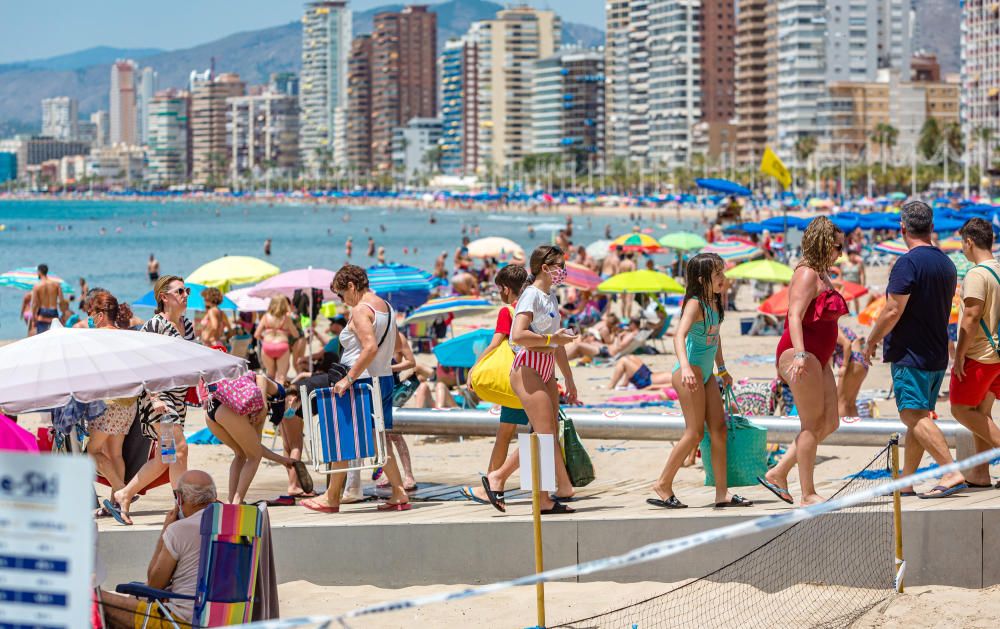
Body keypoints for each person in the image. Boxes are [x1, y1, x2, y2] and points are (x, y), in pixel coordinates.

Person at [864, 201, 967, 498]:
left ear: (903, 228)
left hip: (912, 354)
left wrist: (871, 340)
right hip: (935, 354)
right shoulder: (946, 264)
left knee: (913, 416)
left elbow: (893, 310)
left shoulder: (907, 263)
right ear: (931, 227)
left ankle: (950, 469)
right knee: (918, 419)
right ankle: (905, 482)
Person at [301, 265, 411, 513]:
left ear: (351, 286)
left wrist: (348, 378)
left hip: (361, 381)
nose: (342, 301)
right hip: (382, 379)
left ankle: (331, 498)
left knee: (342, 436)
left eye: (341, 294)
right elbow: (389, 347)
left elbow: (369, 347)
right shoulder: (387, 307)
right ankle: (399, 491)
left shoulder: (361, 310)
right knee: (379, 438)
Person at [648, 253, 751, 509]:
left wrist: (723, 370)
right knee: (694, 433)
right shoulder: (694, 304)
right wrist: (684, 367)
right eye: (719, 275)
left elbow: (714, 338)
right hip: (689, 372)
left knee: (719, 430)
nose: (724, 279)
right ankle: (663, 483)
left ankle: (722, 493)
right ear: (703, 279)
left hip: (706, 374)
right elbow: (678, 336)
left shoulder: (715, 303)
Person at [480, 245, 578, 514]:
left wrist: (569, 378)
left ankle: (544, 498)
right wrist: (551, 339)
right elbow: (518, 335)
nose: (563, 270)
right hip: (528, 368)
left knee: (547, 434)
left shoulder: (550, 297)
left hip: (546, 367)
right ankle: (497, 476)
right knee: (543, 434)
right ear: (545, 267)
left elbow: (557, 344)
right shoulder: (531, 296)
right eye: (559, 265)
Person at [758, 217, 847, 506]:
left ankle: (779, 472)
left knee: (830, 422)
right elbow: (794, 315)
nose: (841, 253)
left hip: (817, 358)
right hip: (800, 354)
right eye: (837, 246)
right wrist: (799, 354)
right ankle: (807, 493)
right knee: (810, 425)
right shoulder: (807, 273)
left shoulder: (822, 273)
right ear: (823, 243)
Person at [111, 276, 196, 525]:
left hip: (178, 398)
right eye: (180, 291)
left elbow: (193, 359)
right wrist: (155, 397)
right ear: (164, 297)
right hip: (157, 398)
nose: (185, 295)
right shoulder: (155, 325)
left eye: (186, 290)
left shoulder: (187, 325)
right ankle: (183, 507)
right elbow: (141, 364)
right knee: (180, 449)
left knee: (165, 457)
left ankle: (124, 494)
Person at [100, 471, 217, 629]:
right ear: (214, 496)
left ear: (180, 498)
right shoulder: (238, 527)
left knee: (95, 599)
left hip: (179, 621)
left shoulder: (180, 529)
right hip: (227, 621)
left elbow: (154, 585)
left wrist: (165, 531)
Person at [464, 264, 529, 504]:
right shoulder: (530, 308)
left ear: (504, 288)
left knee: (507, 434)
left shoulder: (507, 311)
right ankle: (562, 486)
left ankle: (491, 483)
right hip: (537, 374)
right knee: (528, 432)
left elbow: (495, 344)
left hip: (516, 379)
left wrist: (475, 368)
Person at [949, 217, 1000, 484]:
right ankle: (981, 474)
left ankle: (982, 470)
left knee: (960, 409)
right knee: (982, 413)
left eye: (962, 243)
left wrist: (958, 356)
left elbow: (971, 315)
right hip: (996, 354)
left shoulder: (977, 274)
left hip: (980, 354)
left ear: (969, 242)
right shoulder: (998, 269)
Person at [204, 373, 308, 504]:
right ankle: (237, 501)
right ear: (291, 400)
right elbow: (261, 377)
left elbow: (255, 446)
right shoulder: (279, 394)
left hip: (212, 409)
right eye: (294, 408)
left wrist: (282, 460)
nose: (291, 412)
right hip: (226, 408)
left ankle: (232, 500)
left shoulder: (252, 402)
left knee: (241, 453)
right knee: (253, 457)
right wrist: (263, 405)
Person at [87, 293, 139, 518]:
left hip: (108, 403)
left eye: (91, 314)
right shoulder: (126, 335)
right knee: (115, 453)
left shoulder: (96, 338)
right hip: (128, 402)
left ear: (99, 315)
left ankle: (121, 491)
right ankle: (117, 504)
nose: (89, 318)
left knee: (92, 452)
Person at [255, 296, 298, 385]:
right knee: (281, 376)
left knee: (270, 374)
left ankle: (271, 396)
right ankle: (280, 397)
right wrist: (286, 332)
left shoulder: (265, 317)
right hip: (282, 346)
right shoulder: (286, 318)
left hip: (267, 346)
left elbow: (256, 334)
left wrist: (265, 338)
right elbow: (296, 334)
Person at [31, 264, 64, 333]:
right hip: (53, 312)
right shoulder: (56, 285)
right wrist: (63, 314)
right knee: (54, 336)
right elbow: (61, 301)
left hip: (42, 313)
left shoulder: (37, 286)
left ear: (39, 272)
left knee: (42, 337)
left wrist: (34, 318)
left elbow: (34, 304)